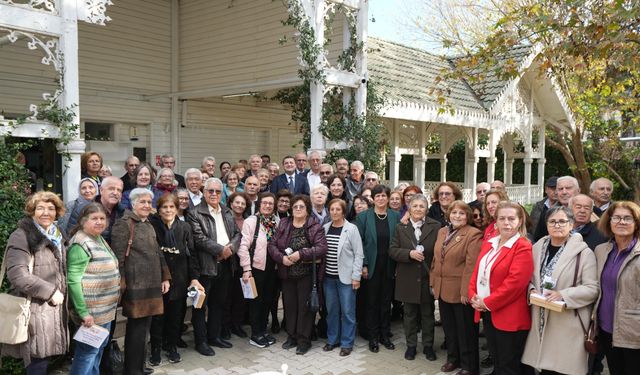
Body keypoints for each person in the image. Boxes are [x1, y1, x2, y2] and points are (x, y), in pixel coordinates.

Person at [521, 206, 599, 375]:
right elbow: (527, 278)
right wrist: (531, 290)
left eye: (562, 221)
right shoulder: (537, 248)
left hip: (566, 322)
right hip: (539, 318)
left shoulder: (584, 253)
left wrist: (563, 295)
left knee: (561, 369)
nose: (557, 225)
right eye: (552, 221)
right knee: (543, 369)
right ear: (546, 224)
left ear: (571, 224)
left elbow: (592, 289)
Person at [2, 192, 68, 374]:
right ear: (32, 212)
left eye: (51, 208)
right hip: (34, 309)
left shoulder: (58, 234)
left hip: (52, 310)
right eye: (40, 208)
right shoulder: (21, 235)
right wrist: (51, 292)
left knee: (44, 359)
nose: (46, 212)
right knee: (36, 361)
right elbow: (17, 274)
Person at [468, 201, 533, 375]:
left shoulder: (523, 246)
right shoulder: (490, 243)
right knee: (497, 360)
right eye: (502, 218)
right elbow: (477, 271)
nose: (506, 223)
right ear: (495, 221)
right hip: (489, 312)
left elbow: (515, 284)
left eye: (511, 218)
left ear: (520, 221)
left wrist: (487, 302)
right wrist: (473, 295)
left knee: (508, 365)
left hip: (509, 317)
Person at [111, 188, 171, 375]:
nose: (147, 205)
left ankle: (139, 366)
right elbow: (118, 258)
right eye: (142, 202)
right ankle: (132, 370)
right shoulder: (124, 224)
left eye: (149, 202)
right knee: (136, 329)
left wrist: (165, 277)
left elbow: (157, 253)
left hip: (152, 284)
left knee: (145, 328)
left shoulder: (149, 224)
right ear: (133, 203)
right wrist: (121, 283)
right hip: (135, 284)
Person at [186, 177, 241, 357]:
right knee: (200, 306)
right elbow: (199, 238)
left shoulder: (226, 211)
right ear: (204, 191)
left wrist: (230, 249)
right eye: (211, 191)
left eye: (218, 191)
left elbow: (236, 234)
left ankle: (214, 336)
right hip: (205, 267)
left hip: (226, 266)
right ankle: (201, 341)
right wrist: (220, 250)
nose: (214, 194)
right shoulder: (195, 213)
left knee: (218, 303)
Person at [268, 195, 327, 355]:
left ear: (307, 209)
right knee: (290, 307)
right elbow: (272, 244)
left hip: (306, 275)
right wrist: (282, 258)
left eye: (301, 207)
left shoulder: (314, 226)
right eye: (295, 207)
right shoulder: (284, 223)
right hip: (287, 274)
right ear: (291, 209)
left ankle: (303, 340)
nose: (298, 209)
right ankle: (292, 337)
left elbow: (322, 248)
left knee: (305, 309)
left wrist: (301, 254)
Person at [67, 203, 120, 375]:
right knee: (87, 353)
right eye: (94, 219)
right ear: (83, 221)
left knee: (97, 350)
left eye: (102, 218)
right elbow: (73, 280)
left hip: (104, 309)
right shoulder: (80, 243)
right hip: (92, 311)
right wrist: (83, 312)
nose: (99, 222)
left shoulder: (98, 237)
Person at [430, 200, 483, 374]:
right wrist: (433, 282)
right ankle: (453, 359)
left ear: (467, 216)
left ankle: (469, 366)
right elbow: (436, 259)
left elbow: (471, 266)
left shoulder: (473, 234)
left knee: (465, 331)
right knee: (450, 330)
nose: (457, 216)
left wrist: (466, 291)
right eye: (454, 213)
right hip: (443, 289)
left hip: (461, 292)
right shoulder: (442, 232)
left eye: (461, 213)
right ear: (448, 215)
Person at [149, 194, 200, 365]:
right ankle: (155, 348)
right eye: (164, 207)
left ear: (177, 208)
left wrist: (194, 278)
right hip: (158, 279)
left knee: (175, 316)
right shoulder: (152, 226)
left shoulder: (184, 227)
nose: (168, 210)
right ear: (159, 209)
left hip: (180, 278)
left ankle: (171, 347)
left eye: (172, 207)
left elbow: (192, 253)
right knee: (158, 317)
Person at [389, 194, 441, 361]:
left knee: (428, 314)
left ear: (426, 209)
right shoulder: (400, 227)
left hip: (427, 277)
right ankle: (411, 345)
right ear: (409, 209)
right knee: (409, 314)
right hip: (407, 278)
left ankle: (428, 346)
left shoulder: (436, 226)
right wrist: (409, 253)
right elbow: (392, 250)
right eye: (415, 206)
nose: (418, 209)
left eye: (421, 206)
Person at [594, 201, 640, 375]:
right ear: (609, 221)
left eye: (628, 218)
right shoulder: (601, 251)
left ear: (636, 223)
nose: (621, 222)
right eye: (617, 217)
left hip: (634, 333)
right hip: (606, 330)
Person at [356, 184, 401, 353]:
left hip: (389, 265)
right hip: (371, 267)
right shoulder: (364, 217)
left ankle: (384, 335)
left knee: (385, 302)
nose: (381, 198)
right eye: (378, 196)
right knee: (371, 303)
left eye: (384, 195)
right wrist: (364, 264)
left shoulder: (395, 216)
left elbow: (399, 240)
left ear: (388, 198)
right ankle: (373, 337)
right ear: (372, 199)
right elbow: (359, 243)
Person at [321, 199, 364, 356]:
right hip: (328, 278)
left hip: (346, 278)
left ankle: (347, 343)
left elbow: (359, 254)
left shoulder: (351, 229)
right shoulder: (325, 228)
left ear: (343, 211)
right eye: (331, 209)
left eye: (338, 209)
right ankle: (333, 340)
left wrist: (356, 277)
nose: (334, 212)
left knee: (347, 312)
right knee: (331, 310)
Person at [238, 193, 279, 348]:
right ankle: (255, 334)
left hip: (272, 268)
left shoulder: (277, 221)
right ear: (259, 205)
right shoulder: (251, 221)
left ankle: (263, 331)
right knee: (256, 301)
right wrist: (246, 269)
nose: (268, 206)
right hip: (256, 267)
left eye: (270, 203)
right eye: (265, 203)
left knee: (268, 300)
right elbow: (243, 247)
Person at [533, 176, 580, 242]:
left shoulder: (590, 212)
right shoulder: (548, 212)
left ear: (578, 191)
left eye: (568, 188)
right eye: (560, 189)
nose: (564, 192)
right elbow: (538, 238)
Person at [95, 176, 125, 244]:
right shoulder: (87, 209)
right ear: (101, 190)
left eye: (119, 190)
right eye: (111, 189)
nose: (115, 193)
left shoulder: (124, 213)